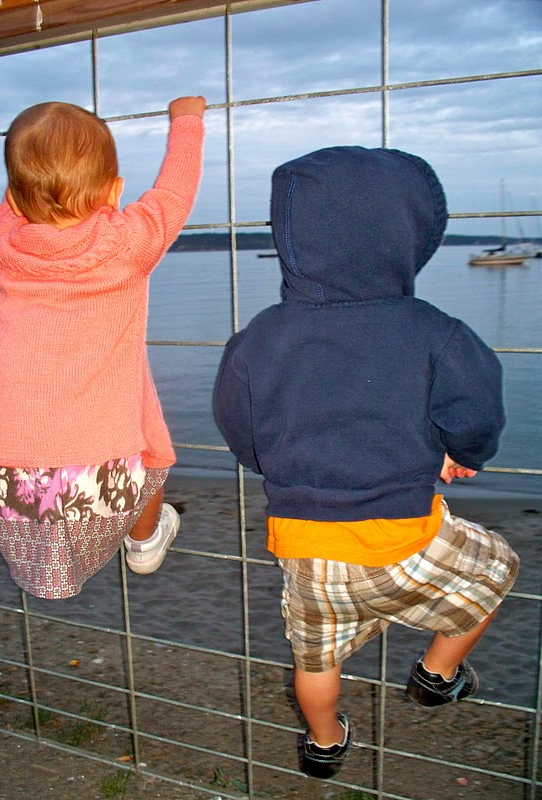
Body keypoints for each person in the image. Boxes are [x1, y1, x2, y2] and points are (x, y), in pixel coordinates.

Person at [212, 146, 519, 779]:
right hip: (404, 537)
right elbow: (477, 409)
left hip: (304, 548)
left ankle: (324, 743)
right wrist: (462, 453)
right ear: (407, 235)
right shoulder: (434, 330)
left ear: (292, 236)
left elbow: (236, 421)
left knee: (315, 660)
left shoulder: (260, 337)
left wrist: (272, 462)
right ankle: (437, 675)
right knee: (494, 572)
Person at [0, 95, 206, 599]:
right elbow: (175, 191)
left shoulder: (2, 245)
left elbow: (15, 202)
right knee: (151, 461)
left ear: (13, 199)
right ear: (115, 191)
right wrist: (187, 120)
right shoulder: (127, 244)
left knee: (47, 553)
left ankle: (51, 580)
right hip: (101, 475)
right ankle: (143, 543)